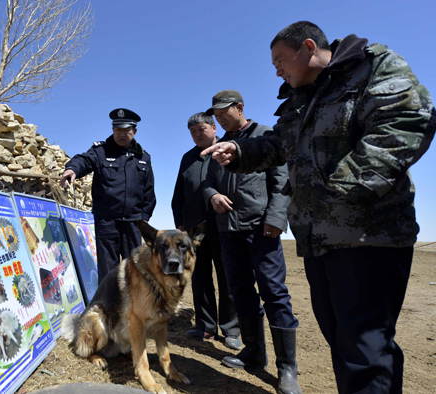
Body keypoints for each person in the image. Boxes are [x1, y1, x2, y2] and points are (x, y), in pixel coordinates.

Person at [202, 21, 435, 394]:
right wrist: (240, 151)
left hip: (368, 236)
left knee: (366, 351)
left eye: (280, 60)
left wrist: (340, 190)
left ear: (308, 47)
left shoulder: (373, 68)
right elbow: (278, 146)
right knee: (343, 345)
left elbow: (408, 121)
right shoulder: (299, 100)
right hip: (318, 240)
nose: (276, 69)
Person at [201, 90, 301, 394]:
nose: (218, 117)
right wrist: (213, 195)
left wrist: (275, 218)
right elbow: (207, 182)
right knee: (241, 292)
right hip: (228, 230)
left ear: (240, 107)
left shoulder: (265, 137)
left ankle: (288, 368)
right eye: (215, 114)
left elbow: (282, 183)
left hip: (261, 229)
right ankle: (254, 353)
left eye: (223, 112)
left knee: (274, 292)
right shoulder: (220, 146)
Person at [171, 112, 242, 350]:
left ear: (213, 128)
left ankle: (231, 329)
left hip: (224, 227)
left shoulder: (228, 151)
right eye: (192, 132)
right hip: (194, 230)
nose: (197, 134)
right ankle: (205, 325)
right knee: (200, 279)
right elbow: (178, 193)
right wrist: (180, 222)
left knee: (228, 277)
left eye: (201, 129)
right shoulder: (187, 158)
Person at [60, 108, 156, 281]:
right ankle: (109, 306)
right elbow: (84, 160)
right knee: (108, 271)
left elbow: (149, 190)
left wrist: (143, 218)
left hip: (133, 223)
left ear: (134, 131)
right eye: (117, 129)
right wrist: (72, 169)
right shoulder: (100, 151)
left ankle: (132, 307)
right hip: (107, 222)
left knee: (134, 271)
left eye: (126, 130)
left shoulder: (143, 157)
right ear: (113, 130)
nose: (121, 134)